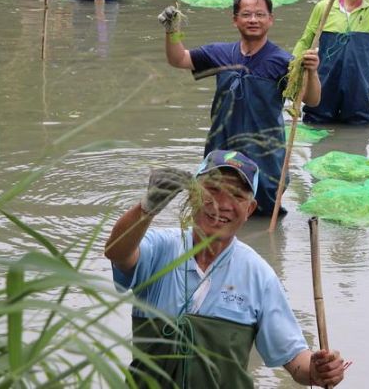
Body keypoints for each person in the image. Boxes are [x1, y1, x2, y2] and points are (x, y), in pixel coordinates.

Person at [104, 150, 346, 388]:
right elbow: (116, 252)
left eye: (236, 195)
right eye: (212, 189)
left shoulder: (258, 275)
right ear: (192, 194)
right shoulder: (161, 248)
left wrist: (318, 370)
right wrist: (147, 208)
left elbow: (294, 360)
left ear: (250, 210)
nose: (221, 204)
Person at [158, 0, 321, 215]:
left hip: (265, 160)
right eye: (246, 14)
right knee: (214, 214)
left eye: (260, 14)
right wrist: (172, 31)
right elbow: (178, 59)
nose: (253, 20)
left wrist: (312, 73)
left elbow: (311, 100)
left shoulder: (284, 63)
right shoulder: (219, 54)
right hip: (220, 152)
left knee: (261, 216)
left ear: (270, 20)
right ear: (235, 20)